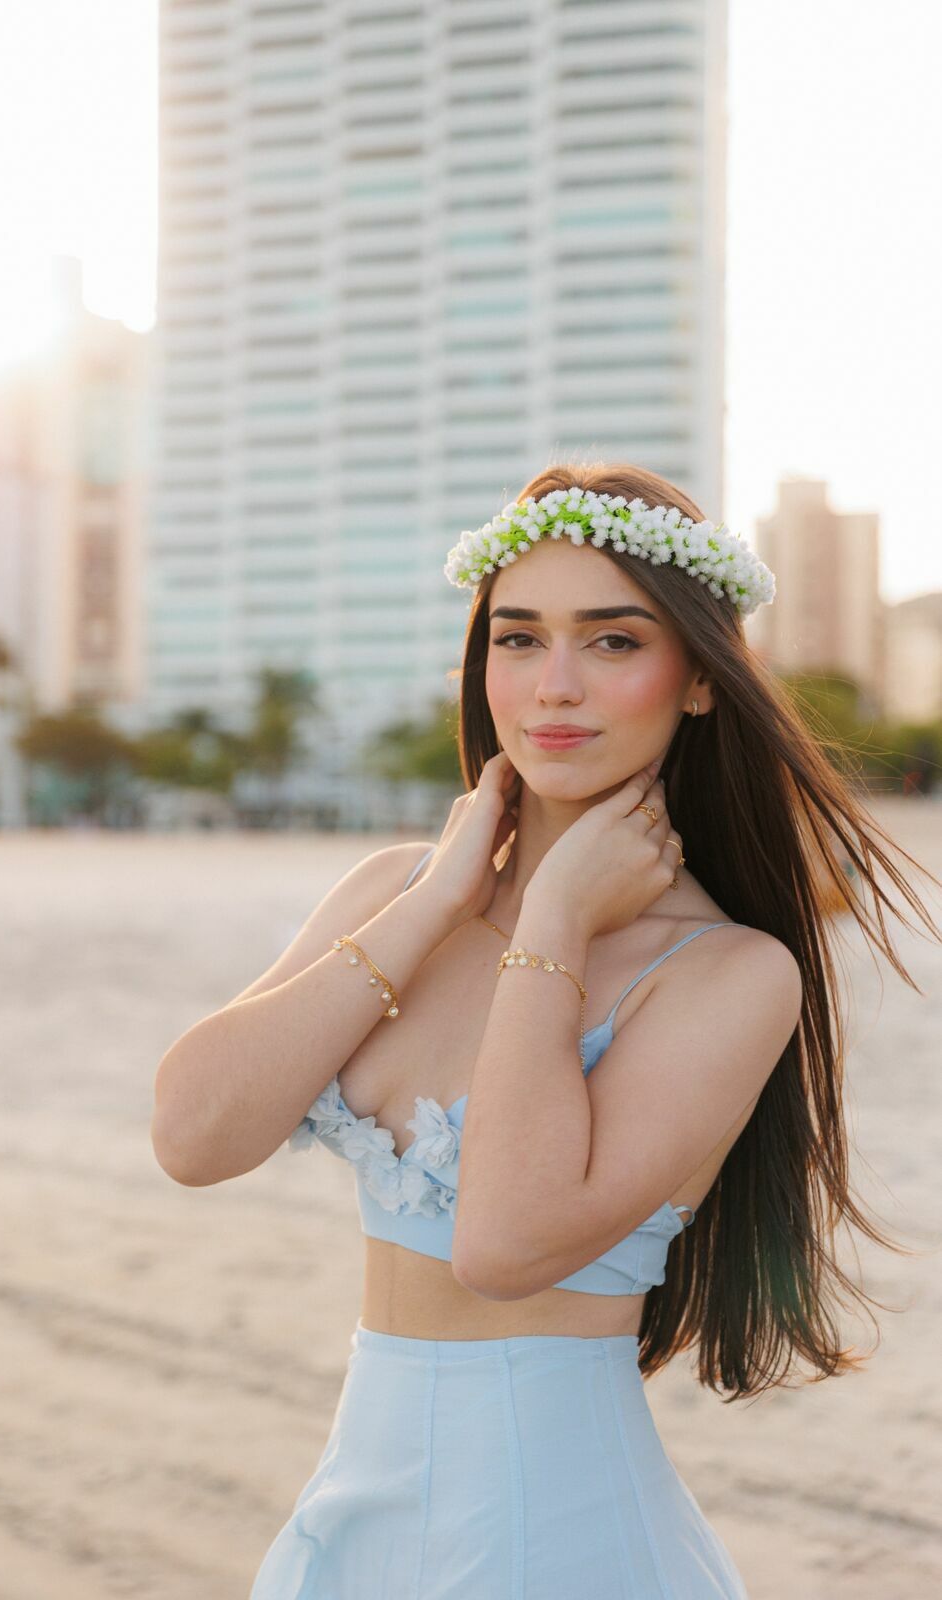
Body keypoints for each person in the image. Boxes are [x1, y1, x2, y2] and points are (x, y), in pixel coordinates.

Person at [152, 462, 942, 1598]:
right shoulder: (400, 892)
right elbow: (191, 1135)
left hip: (552, 1532)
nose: (552, 686)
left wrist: (558, 923)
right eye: (517, 639)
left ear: (700, 682)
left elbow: (504, 1246)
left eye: (612, 642)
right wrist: (435, 898)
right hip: (348, 1518)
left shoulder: (727, 973)